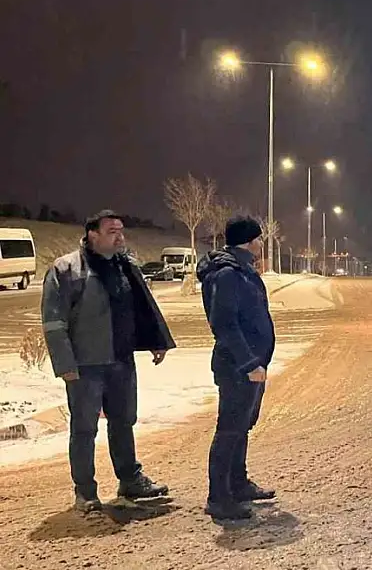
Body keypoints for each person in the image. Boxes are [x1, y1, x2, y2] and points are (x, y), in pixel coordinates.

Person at [41, 210, 175, 513]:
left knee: (124, 421)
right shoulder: (67, 269)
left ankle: (129, 479)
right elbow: (53, 322)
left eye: (121, 230)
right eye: (112, 231)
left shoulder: (125, 265)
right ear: (93, 234)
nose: (120, 236)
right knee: (85, 428)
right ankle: (85, 492)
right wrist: (65, 365)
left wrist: (156, 340)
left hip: (121, 360)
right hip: (86, 365)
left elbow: (143, 306)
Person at [197, 215, 277, 520]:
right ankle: (219, 497)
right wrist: (248, 363)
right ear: (249, 241)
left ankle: (238, 484)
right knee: (229, 429)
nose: (261, 244)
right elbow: (225, 324)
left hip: (250, 364)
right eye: (259, 239)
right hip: (238, 366)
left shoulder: (240, 269)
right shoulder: (228, 273)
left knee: (242, 425)